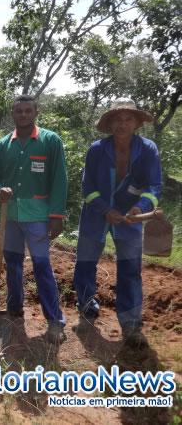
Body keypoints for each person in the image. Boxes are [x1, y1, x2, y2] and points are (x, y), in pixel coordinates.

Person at [73, 99, 161, 348]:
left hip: (130, 219)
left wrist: (141, 208)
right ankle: (87, 311)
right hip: (95, 215)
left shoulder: (148, 149)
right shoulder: (97, 149)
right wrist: (104, 209)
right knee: (85, 264)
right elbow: (87, 187)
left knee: (130, 271)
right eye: (117, 119)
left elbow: (154, 185)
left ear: (137, 123)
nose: (122, 124)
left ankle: (131, 324)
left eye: (128, 119)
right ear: (110, 123)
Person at [0, 94, 67, 344]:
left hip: (38, 218)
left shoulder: (50, 141)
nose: (23, 114)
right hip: (10, 217)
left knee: (42, 266)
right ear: (13, 113)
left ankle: (55, 322)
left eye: (27, 111)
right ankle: (14, 308)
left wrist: (56, 215)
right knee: (13, 263)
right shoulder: (3, 145)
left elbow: (59, 180)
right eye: (18, 111)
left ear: (35, 112)